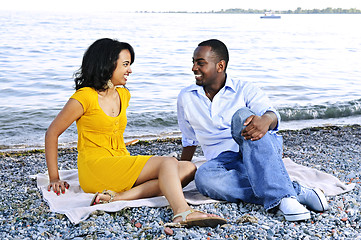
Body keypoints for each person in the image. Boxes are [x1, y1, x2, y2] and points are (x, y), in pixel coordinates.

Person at [45, 38, 227, 227]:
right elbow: (52, 133)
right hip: (95, 169)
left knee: (188, 169)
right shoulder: (84, 97)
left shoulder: (124, 94)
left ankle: (117, 197)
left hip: (120, 163)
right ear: (107, 64)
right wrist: (54, 178)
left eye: (130, 64)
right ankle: (181, 211)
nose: (130, 70)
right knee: (167, 163)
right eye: (125, 64)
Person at [177, 39, 329, 221]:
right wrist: (178, 174)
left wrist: (265, 120)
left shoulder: (245, 89)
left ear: (220, 65)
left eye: (200, 63)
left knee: (242, 116)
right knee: (203, 179)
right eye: (193, 62)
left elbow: (272, 115)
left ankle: (283, 198)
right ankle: (294, 191)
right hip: (222, 162)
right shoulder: (186, 97)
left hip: (257, 150)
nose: (193, 68)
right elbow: (189, 140)